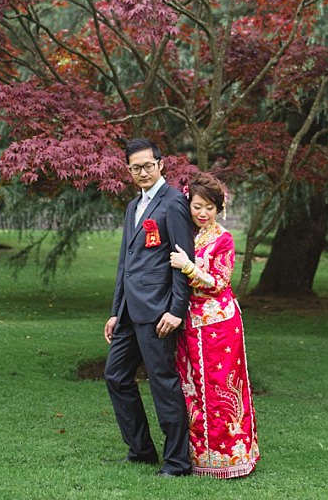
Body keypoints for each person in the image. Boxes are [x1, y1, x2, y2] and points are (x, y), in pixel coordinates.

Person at [103, 138, 196, 477]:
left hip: (159, 312)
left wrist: (176, 310)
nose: (142, 172)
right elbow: (125, 263)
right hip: (129, 311)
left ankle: (177, 462)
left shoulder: (173, 203)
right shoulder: (133, 207)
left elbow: (184, 260)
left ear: (160, 165)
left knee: (162, 382)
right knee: (115, 376)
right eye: (135, 168)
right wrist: (116, 311)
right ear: (129, 171)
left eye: (147, 165)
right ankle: (141, 450)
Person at [168, 172, 260, 479]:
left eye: (209, 207)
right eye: (197, 206)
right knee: (192, 388)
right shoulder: (185, 233)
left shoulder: (224, 239)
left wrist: (189, 267)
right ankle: (196, 457)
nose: (202, 213)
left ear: (218, 208)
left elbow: (220, 283)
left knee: (221, 388)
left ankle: (230, 458)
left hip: (219, 325)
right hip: (188, 323)